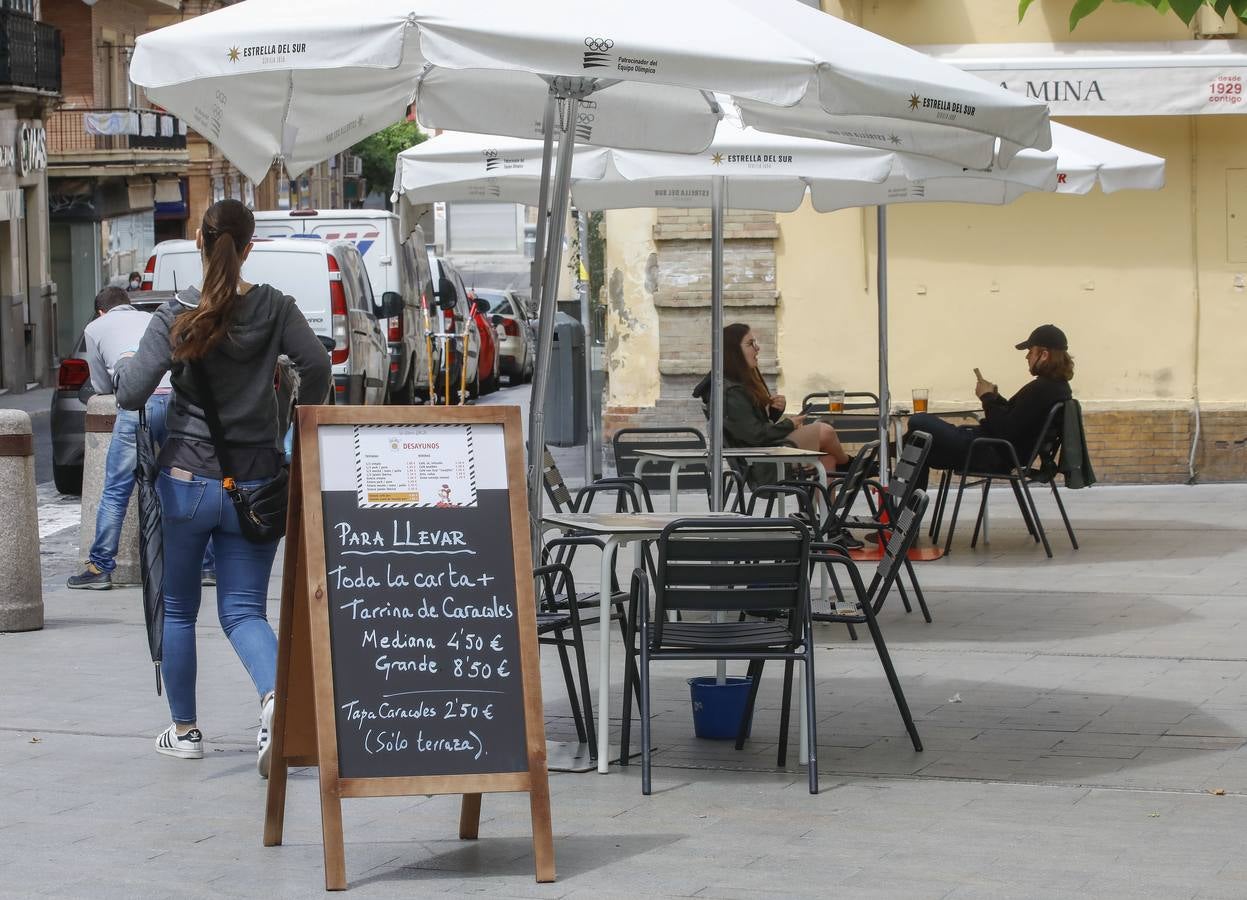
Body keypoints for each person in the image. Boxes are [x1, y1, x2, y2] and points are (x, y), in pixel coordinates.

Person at [115, 199, 331, 775]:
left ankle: (185, 732)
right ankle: (274, 702)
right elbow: (318, 367)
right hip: (257, 484)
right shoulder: (276, 308)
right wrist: (291, 426)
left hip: (186, 481)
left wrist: (133, 365)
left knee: (180, 610)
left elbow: (131, 395)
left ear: (199, 242)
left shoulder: (175, 314)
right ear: (249, 246)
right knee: (242, 611)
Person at [68, 288, 189, 588]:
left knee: (116, 490)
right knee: (181, 481)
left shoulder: (94, 328)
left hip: (138, 403)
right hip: (172, 399)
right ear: (128, 305)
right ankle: (205, 565)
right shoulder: (150, 318)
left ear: (101, 311)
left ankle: (100, 567)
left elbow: (100, 383)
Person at [905, 323, 1074, 490]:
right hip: (991, 448)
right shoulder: (1056, 388)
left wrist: (987, 398)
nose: (1027, 357)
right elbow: (1016, 418)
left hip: (991, 451)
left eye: (1030, 352)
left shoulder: (1044, 389)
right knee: (916, 444)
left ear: (1044, 355)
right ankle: (901, 511)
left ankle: (896, 503)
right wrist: (995, 397)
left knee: (919, 421)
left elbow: (1005, 429)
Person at [693, 323, 851, 473]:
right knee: (825, 430)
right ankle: (848, 465)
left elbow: (750, 429)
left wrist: (774, 413)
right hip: (760, 465)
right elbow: (755, 435)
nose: (757, 348)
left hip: (763, 455)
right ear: (733, 351)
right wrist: (788, 424)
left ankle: (828, 501)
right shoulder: (731, 392)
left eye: (755, 342)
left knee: (829, 459)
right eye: (750, 344)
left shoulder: (733, 386)